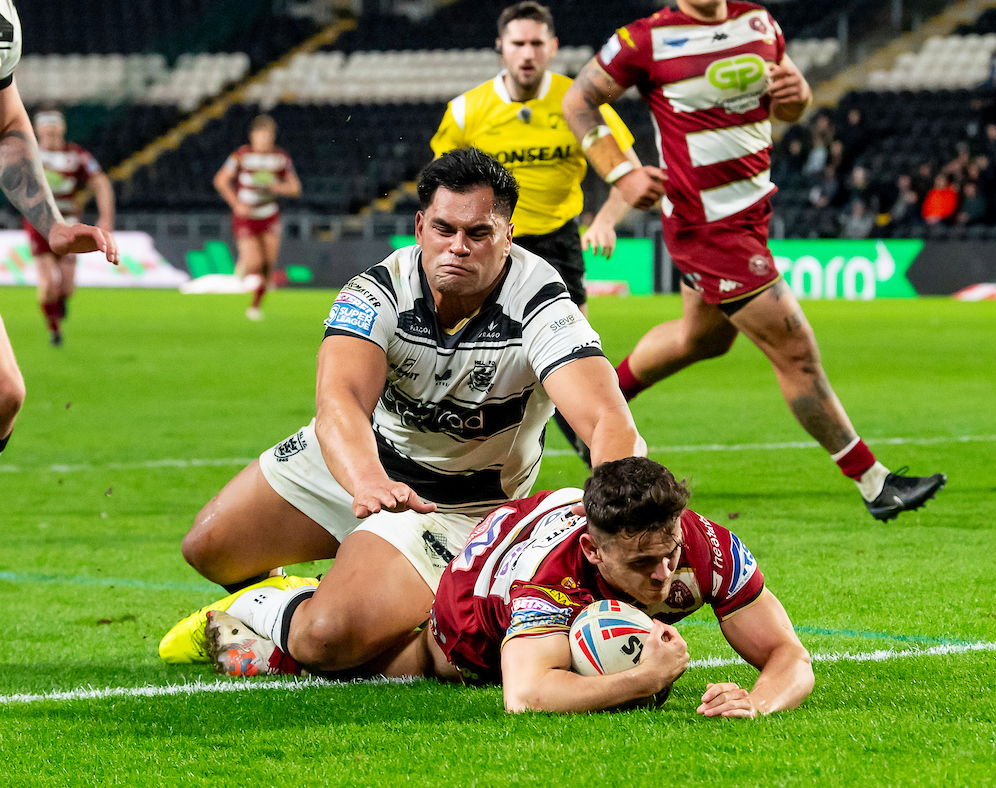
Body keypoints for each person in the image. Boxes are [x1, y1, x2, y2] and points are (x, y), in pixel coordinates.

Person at [160, 147, 643, 676]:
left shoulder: (542, 303)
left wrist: (612, 511)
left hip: (457, 506)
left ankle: (265, 618)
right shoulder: (377, 290)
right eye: (443, 229)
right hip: (359, 462)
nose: (458, 247)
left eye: (478, 233)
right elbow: (339, 402)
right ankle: (315, 591)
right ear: (419, 227)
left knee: (326, 637)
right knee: (208, 547)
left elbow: (606, 418)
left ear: (508, 236)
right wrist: (366, 479)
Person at [561, 0, 945, 520]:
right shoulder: (647, 39)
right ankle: (874, 483)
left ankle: (598, 404)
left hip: (750, 212)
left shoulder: (758, 22)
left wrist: (798, 95)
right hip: (710, 228)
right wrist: (621, 171)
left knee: (702, 339)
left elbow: (787, 106)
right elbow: (578, 100)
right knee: (797, 353)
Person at [206, 457, 815, 717]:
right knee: (385, 659)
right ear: (593, 550)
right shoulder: (550, 579)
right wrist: (645, 678)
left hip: (531, 527)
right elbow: (525, 695)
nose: (662, 575)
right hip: (475, 602)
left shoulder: (703, 546)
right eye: (641, 564)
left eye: (668, 554)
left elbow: (788, 655)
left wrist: (757, 703)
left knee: (594, 650)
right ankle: (269, 608)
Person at [429, 0, 640, 460]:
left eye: (536, 43)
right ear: (501, 46)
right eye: (518, 43)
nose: (527, 53)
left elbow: (629, 173)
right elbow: (438, 188)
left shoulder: (578, 104)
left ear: (553, 46)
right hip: (485, 246)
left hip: (556, 243)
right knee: (472, 361)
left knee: (572, 357)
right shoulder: (466, 111)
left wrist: (605, 220)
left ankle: (607, 466)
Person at [0, 0, 118, 457]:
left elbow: (7, 123)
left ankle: (56, 322)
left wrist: (54, 224)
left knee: (5, 394)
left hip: (52, 216)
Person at [22, 109, 114, 346]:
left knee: (67, 287)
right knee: (49, 283)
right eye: (46, 124)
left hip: (69, 223)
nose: (51, 129)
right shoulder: (29, 154)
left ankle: (59, 306)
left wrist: (106, 218)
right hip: (39, 222)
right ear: (37, 129)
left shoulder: (76, 155)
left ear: (62, 127)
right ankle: (54, 329)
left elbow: (100, 182)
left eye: (55, 124)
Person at [212, 114, 301, 321]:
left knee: (268, 264)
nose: (263, 140)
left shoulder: (280, 158)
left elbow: (295, 188)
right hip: (246, 216)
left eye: (267, 136)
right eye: (260, 135)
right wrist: (236, 204)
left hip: (269, 214)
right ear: (252, 136)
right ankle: (239, 275)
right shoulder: (241, 155)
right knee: (254, 261)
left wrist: (277, 187)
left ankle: (255, 306)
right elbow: (221, 180)